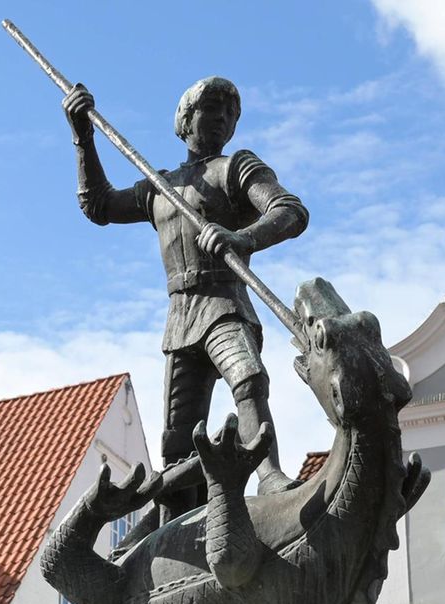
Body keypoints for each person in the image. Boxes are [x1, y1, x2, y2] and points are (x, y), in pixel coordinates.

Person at [63, 76, 308, 520]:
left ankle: (269, 473)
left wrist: (241, 238)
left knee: (249, 379)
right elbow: (98, 205)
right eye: (210, 112)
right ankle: (172, 520)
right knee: (177, 441)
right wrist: (83, 137)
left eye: (229, 115)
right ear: (185, 121)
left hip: (224, 304)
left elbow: (290, 210)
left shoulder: (236, 167)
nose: (221, 120)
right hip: (180, 317)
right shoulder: (160, 186)